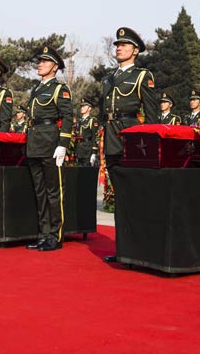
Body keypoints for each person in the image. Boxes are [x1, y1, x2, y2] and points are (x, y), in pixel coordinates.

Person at [100, 27, 159, 263]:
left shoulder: (142, 76)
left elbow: (152, 114)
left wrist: (151, 145)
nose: (119, 48)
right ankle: (123, 248)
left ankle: (141, 247)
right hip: (111, 137)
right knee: (120, 196)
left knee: (136, 195)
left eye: (124, 45)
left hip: (132, 138)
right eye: (117, 45)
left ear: (135, 50)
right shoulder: (109, 78)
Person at [25, 46, 73, 251]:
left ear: (54, 67)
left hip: (50, 142)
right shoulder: (36, 89)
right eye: (40, 61)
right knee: (40, 192)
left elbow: (68, 117)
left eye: (45, 61)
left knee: (54, 192)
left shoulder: (59, 89)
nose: (40, 64)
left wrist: (63, 144)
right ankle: (43, 234)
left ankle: (55, 235)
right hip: (35, 142)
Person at [73, 97, 99, 166]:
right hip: (78, 150)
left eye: (84, 106)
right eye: (81, 106)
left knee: (87, 170)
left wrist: (94, 153)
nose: (82, 108)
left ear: (89, 108)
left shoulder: (92, 120)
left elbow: (95, 137)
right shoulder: (78, 121)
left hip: (87, 150)